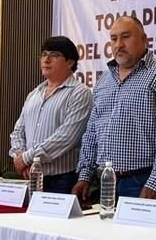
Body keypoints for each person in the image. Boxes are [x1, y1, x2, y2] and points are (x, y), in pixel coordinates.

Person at [72, 16, 156, 201]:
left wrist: (155, 183)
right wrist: (85, 175)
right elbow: (92, 129)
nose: (118, 44)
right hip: (105, 182)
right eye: (114, 38)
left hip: (142, 181)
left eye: (125, 37)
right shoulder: (104, 80)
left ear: (144, 40)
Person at [9, 36, 93, 195]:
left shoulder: (80, 93)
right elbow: (18, 130)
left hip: (61, 179)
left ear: (70, 62)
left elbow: (66, 137)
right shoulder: (34, 93)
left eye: (54, 55)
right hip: (31, 175)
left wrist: (27, 158)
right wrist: (19, 155)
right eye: (43, 54)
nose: (46, 60)